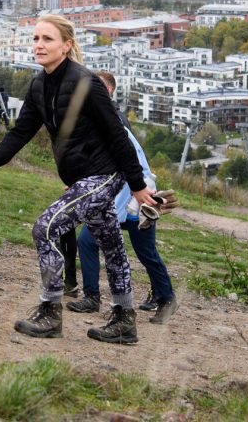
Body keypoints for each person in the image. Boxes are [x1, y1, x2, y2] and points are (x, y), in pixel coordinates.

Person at [0, 14, 155, 344]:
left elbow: (118, 136)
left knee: (46, 227)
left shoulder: (87, 83)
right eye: (36, 39)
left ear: (67, 46)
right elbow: (21, 132)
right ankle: (125, 321)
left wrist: (138, 187)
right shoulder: (40, 84)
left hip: (103, 175)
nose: (39, 45)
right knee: (111, 244)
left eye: (47, 39)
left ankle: (50, 312)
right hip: (80, 179)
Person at [67, 71, 178, 324]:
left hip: (135, 200)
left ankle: (167, 299)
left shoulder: (115, 125)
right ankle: (92, 296)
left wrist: (143, 196)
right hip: (114, 199)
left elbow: (135, 165)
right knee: (87, 240)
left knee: (146, 253)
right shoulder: (96, 123)